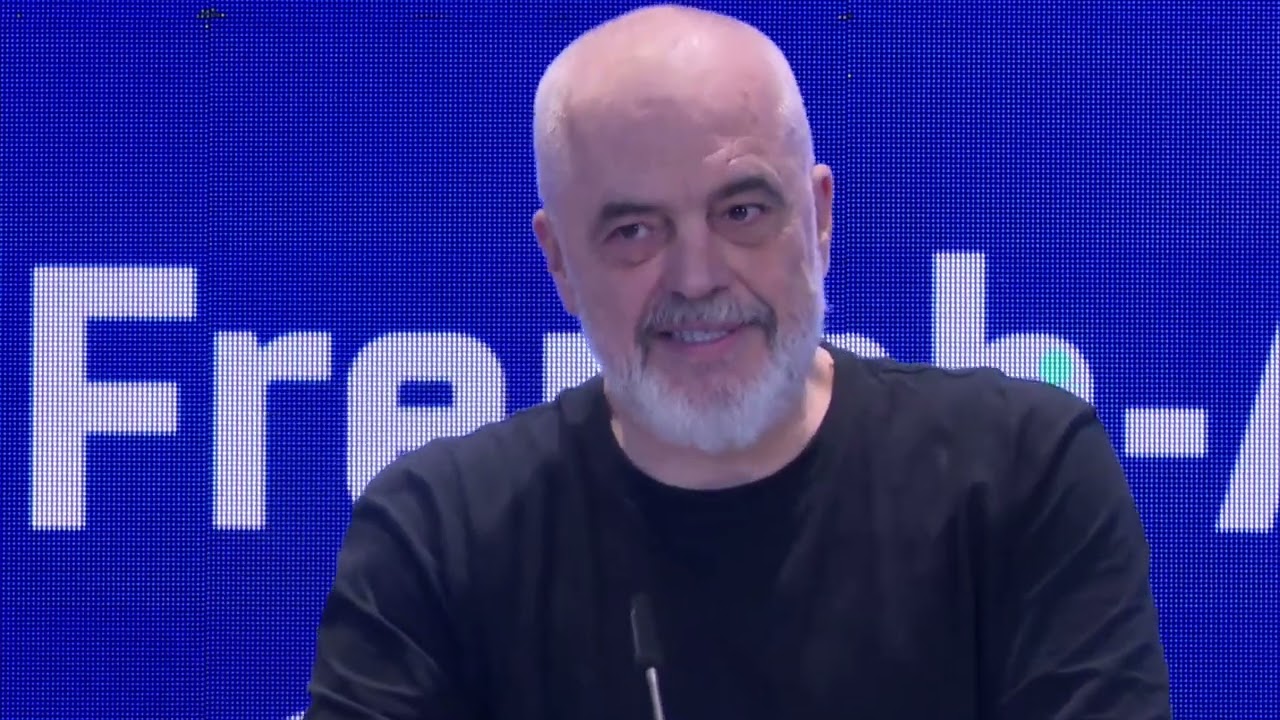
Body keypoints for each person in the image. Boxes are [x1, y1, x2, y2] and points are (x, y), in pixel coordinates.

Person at [304, 4, 1172, 719]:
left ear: (820, 219)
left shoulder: (1021, 474)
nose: (697, 277)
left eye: (742, 212)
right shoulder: (438, 535)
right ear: (559, 263)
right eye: (634, 231)